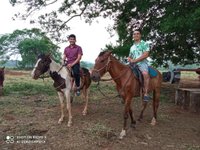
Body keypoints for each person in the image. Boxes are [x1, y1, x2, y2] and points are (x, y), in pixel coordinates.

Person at [127, 29, 150, 101]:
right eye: (134, 34)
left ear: (140, 35)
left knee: (145, 73)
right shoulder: (132, 47)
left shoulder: (144, 44)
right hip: (132, 64)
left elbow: (146, 54)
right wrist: (129, 59)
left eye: (137, 33)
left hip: (142, 63)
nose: (136, 35)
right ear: (133, 36)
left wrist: (135, 60)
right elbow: (130, 56)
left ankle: (145, 93)